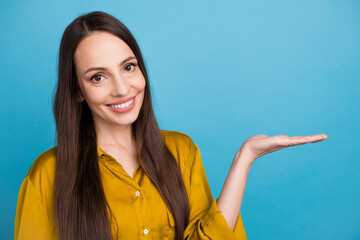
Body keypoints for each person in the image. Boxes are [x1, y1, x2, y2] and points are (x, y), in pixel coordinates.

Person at [14, 11, 328, 240]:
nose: (122, 89)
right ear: (77, 91)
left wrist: (245, 157)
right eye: (98, 76)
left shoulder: (181, 151)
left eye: (128, 67)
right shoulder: (47, 175)